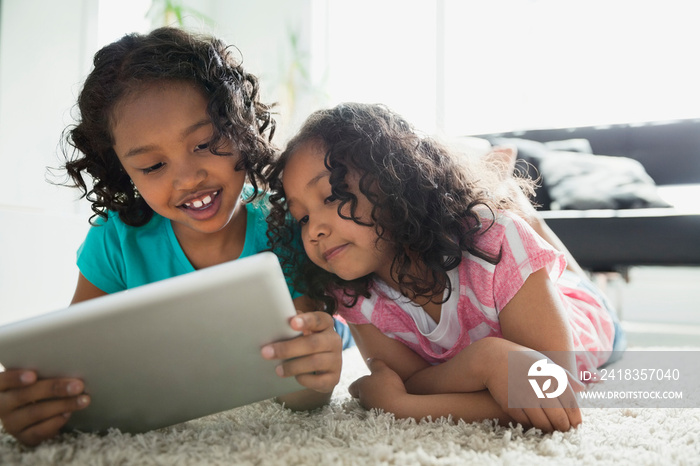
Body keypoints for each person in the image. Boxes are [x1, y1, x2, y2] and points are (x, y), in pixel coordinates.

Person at [0, 28, 351, 447]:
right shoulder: (116, 242)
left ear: (238, 124)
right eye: (152, 166)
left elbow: (298, 391)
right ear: (122, 172)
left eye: (204, 142)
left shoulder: (288, 225)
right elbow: (77, 371)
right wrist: (40, 403)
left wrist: (316, 376)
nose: (188, 178)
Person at [266, 102, 626, 433]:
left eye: (331, 196)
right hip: (506, 285)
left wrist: (404, 406)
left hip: (584, 311)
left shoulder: (496, 242)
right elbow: (414, 382)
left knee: (529, 241)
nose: (314, 230)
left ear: (392, 180)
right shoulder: (352, 293)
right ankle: (504, 190)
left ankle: (520, 208)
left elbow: (554, 393)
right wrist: (483, 364)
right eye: (302, 217)